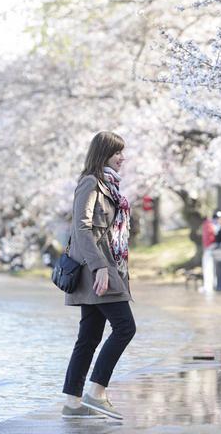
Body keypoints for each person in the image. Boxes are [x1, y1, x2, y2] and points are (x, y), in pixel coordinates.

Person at [61, 131, 135, 421]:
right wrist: (100, 267)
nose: (122, 157)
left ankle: (73, 402)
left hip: (106, 269)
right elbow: (82, 228)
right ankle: (96, 393)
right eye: (118, 152)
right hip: (99, 271)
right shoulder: (90, 183)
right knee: (125, 327)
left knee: (89, 336)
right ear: (103, 153)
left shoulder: (109, 186)